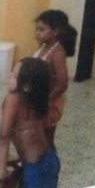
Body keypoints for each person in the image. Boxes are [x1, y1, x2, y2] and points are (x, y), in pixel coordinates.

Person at [0, 58, 60, 188]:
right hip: (48, 160)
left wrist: (2, 169)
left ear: (27, 86)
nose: (9, 78)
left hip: (36, 168)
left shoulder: (13, 99)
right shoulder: (33, 99)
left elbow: (4, 136)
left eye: (14, 77)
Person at [32, 9, 77, 147]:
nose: (37, 33)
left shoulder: (57, 52)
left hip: (49, 102)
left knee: (46, 138)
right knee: (36, 135)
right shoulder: (43, 46)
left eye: (42, 29)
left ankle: (50, 159)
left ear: (55, 32)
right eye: (36, 29)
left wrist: (46, 101)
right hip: (38, 98)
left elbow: (62, 83)